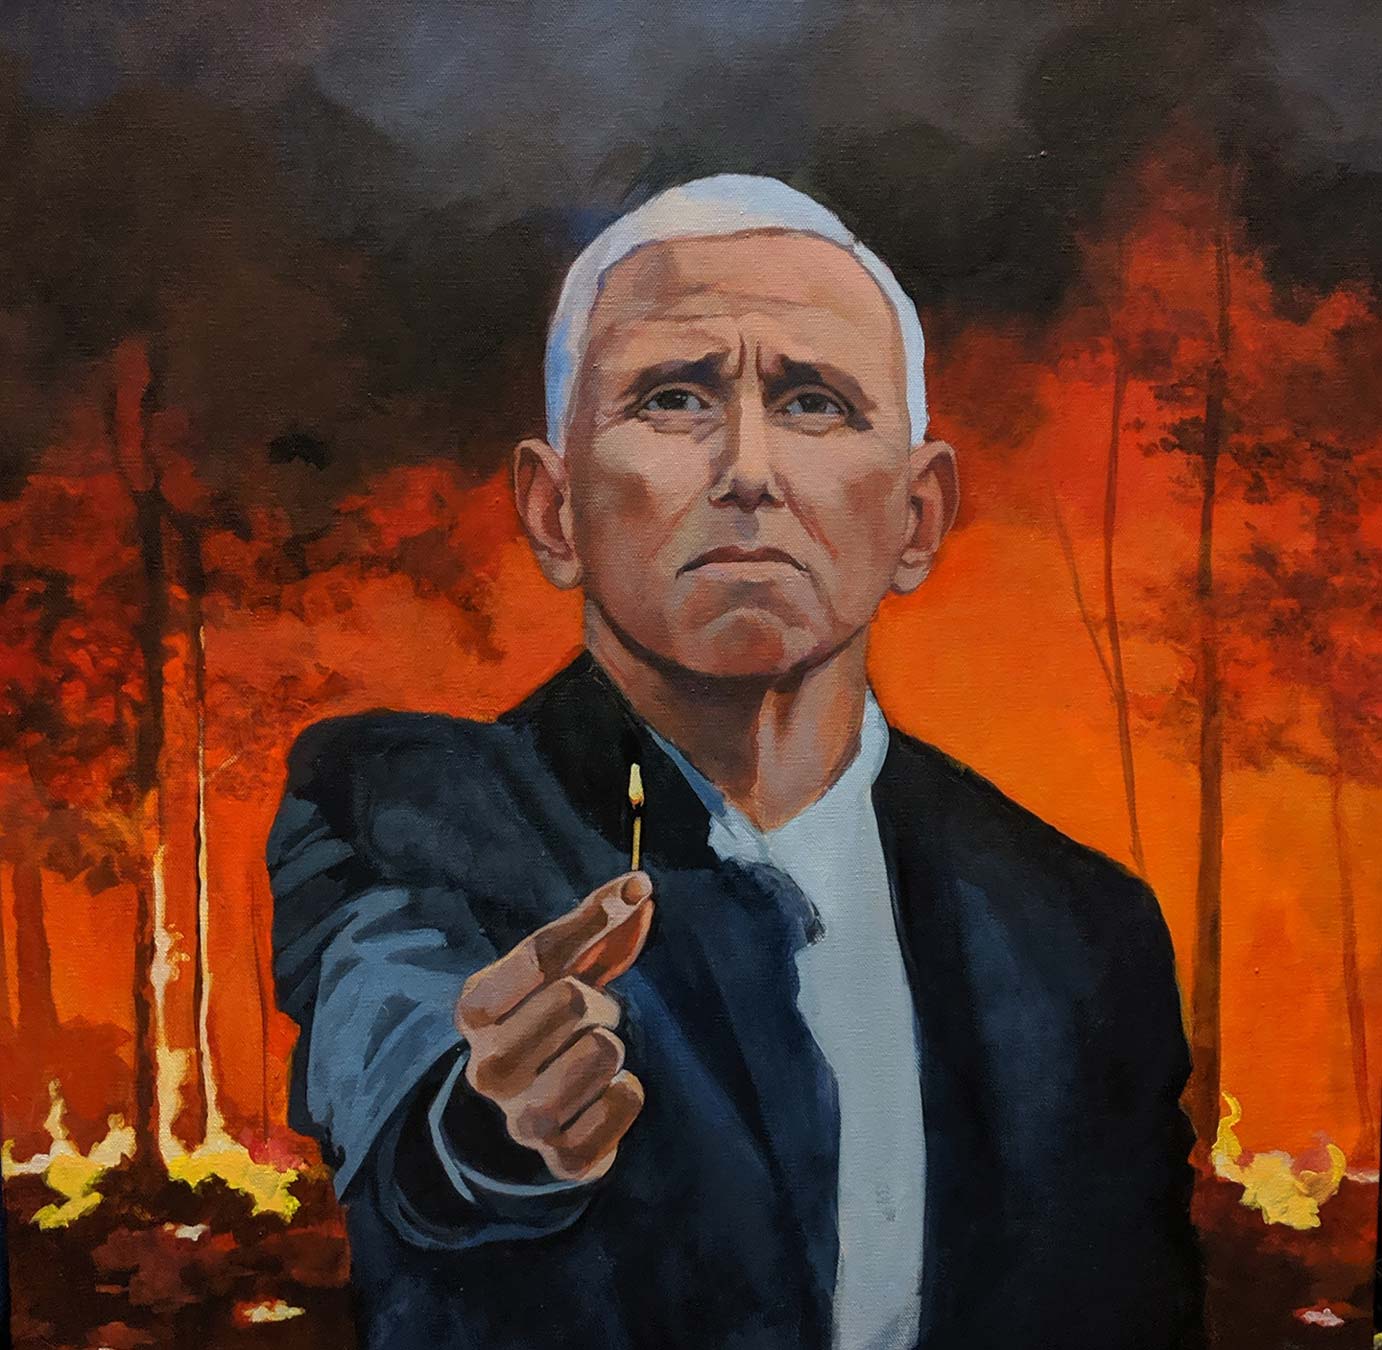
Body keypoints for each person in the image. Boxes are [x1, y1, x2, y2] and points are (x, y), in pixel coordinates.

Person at [268, 175, 1203, 1349]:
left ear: (916, 518)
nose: (748, 469)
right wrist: (485, 1131)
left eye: (815, 402)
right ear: (554, 512)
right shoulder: (402, 806)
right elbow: (394, 1050)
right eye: (672, 398)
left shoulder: (1079, 929)